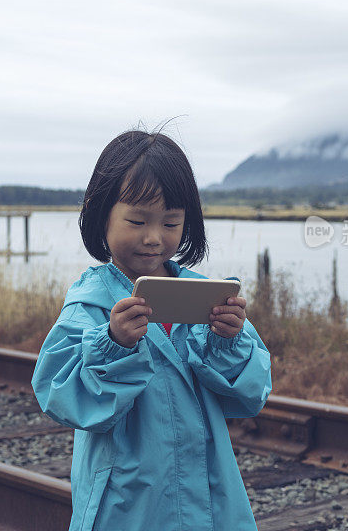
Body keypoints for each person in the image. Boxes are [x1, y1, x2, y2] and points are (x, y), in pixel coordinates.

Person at [31, 128, 272, 531]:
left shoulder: (204, 297)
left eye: (171, 223)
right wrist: (113, 346)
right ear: (100, 213)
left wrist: (228, 341)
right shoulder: (90, 304)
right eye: (137, 220)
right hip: (127, 503)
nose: (153, 238)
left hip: (211, 499)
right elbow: (59, 395)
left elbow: (249, 395)